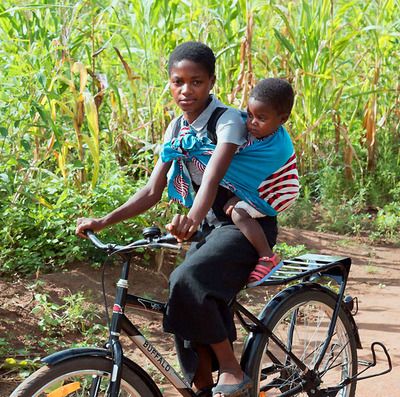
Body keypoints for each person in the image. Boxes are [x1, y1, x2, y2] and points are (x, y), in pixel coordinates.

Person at [76, 41, 278, 397]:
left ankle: (232, 370)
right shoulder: (175, 130)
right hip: (208, 225)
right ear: (169, 83)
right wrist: (103, 221)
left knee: (187, 279)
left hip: (243, 223)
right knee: (181, 298)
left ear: (211, 82)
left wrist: (190, 218)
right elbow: (153, 190)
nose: (186, 90)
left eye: (196, 81)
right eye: (178, 81)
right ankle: (202, 386)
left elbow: (214, 176)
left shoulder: (227, 120)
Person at [223, 78, 298, 287]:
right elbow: (248, 172)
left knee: (239, 213)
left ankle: (267, 256)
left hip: (278, 191)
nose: (252, 122)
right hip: (259, 185)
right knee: (232, 205)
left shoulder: (276, 148)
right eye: (250, 114)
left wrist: (241, 198)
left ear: (282, 119)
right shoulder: (259, 132)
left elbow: (256, 175)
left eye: (261, 118)